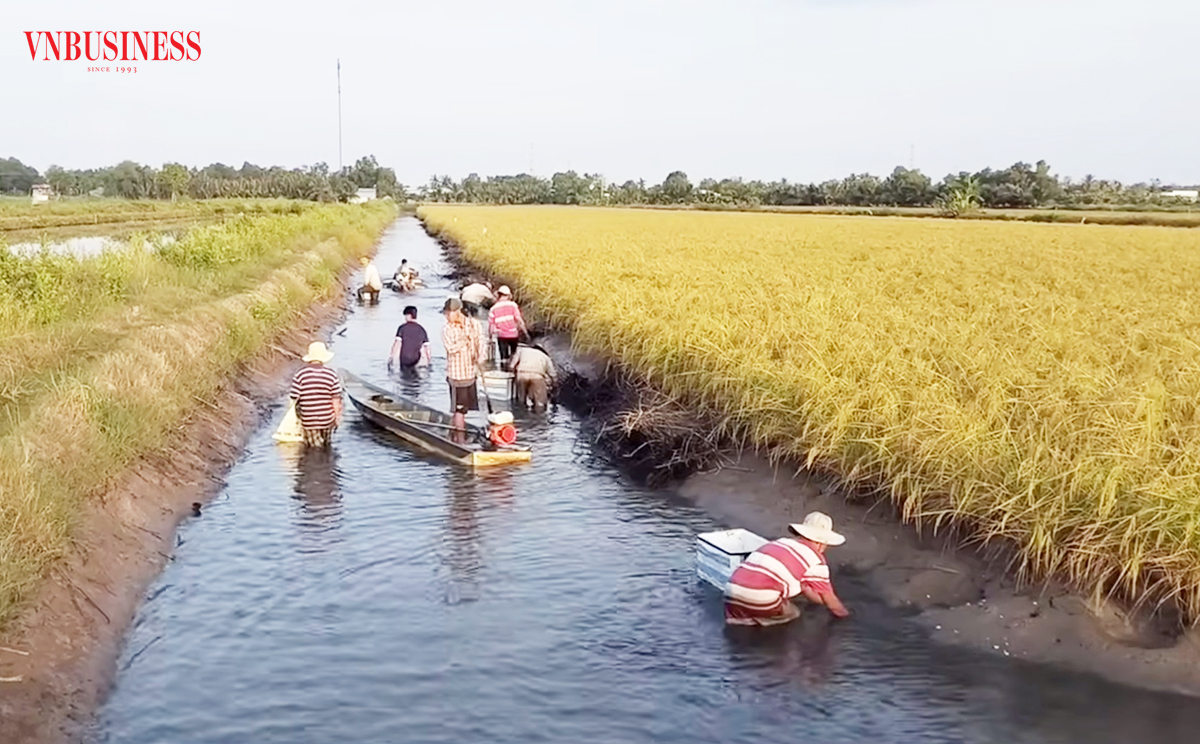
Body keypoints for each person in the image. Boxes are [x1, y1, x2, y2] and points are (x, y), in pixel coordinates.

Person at [724, 512, 850, 626]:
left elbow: (805, 588)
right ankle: (763, 623)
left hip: (731, 591)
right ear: (821, 543)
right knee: (793, 612)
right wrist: (846, 616)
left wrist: (821, 602)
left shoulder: (781, 543)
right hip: (760, 597)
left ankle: (740, 620)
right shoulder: (815, 561)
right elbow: (831, 601)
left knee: (748, 606)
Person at [289, 341, 344, 448]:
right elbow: (336, 399)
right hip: (327, 419)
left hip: (309, 420)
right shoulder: (331, 374)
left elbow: (294, 397)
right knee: (327, 446)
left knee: (314, 448)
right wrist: (337, 418)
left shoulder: (300, 375)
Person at [441, 296, 482, 434]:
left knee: (464, 409)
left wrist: (480, 357)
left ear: (457, 311)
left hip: (470, 374)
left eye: (448, 313)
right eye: (445, 313)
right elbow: (451, 349)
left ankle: (454, 432)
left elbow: (481, 343)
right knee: (459, 410)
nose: (446, 316)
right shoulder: (447, 329)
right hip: (456, 375)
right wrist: (464, 339)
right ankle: (460, 440)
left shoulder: (474, 324)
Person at [509, 340, 556, 411]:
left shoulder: (522, 350)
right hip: (537, 376)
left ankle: (521, 414)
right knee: (539, 402)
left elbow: (512, 366)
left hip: (522, 374)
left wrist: (513, 374)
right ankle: (538, 417)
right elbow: (552, 373)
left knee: (521, 399)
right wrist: (554, 383)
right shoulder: (545, 357)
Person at [488, 285, 528, 363]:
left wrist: (490, 337)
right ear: (509, 295)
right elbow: (519, 320)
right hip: (513, 335)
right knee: (514, 357)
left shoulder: (493, 309)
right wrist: (526, 333)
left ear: (499, 295)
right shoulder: (513, 305)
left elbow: (491, 326)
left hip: (501, 336)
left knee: (504, 359)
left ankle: (505, 371)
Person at [388, 305, 431, 372]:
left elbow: (397, 344)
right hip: (416, 359)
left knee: (404, 377)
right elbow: (427, 347)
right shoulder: (421, 329)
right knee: (415, 378)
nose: (405, 318)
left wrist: (391, 356)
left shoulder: (402, 328)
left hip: (404, 358)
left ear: (409, 315)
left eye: (405, 315)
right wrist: (428, 360)